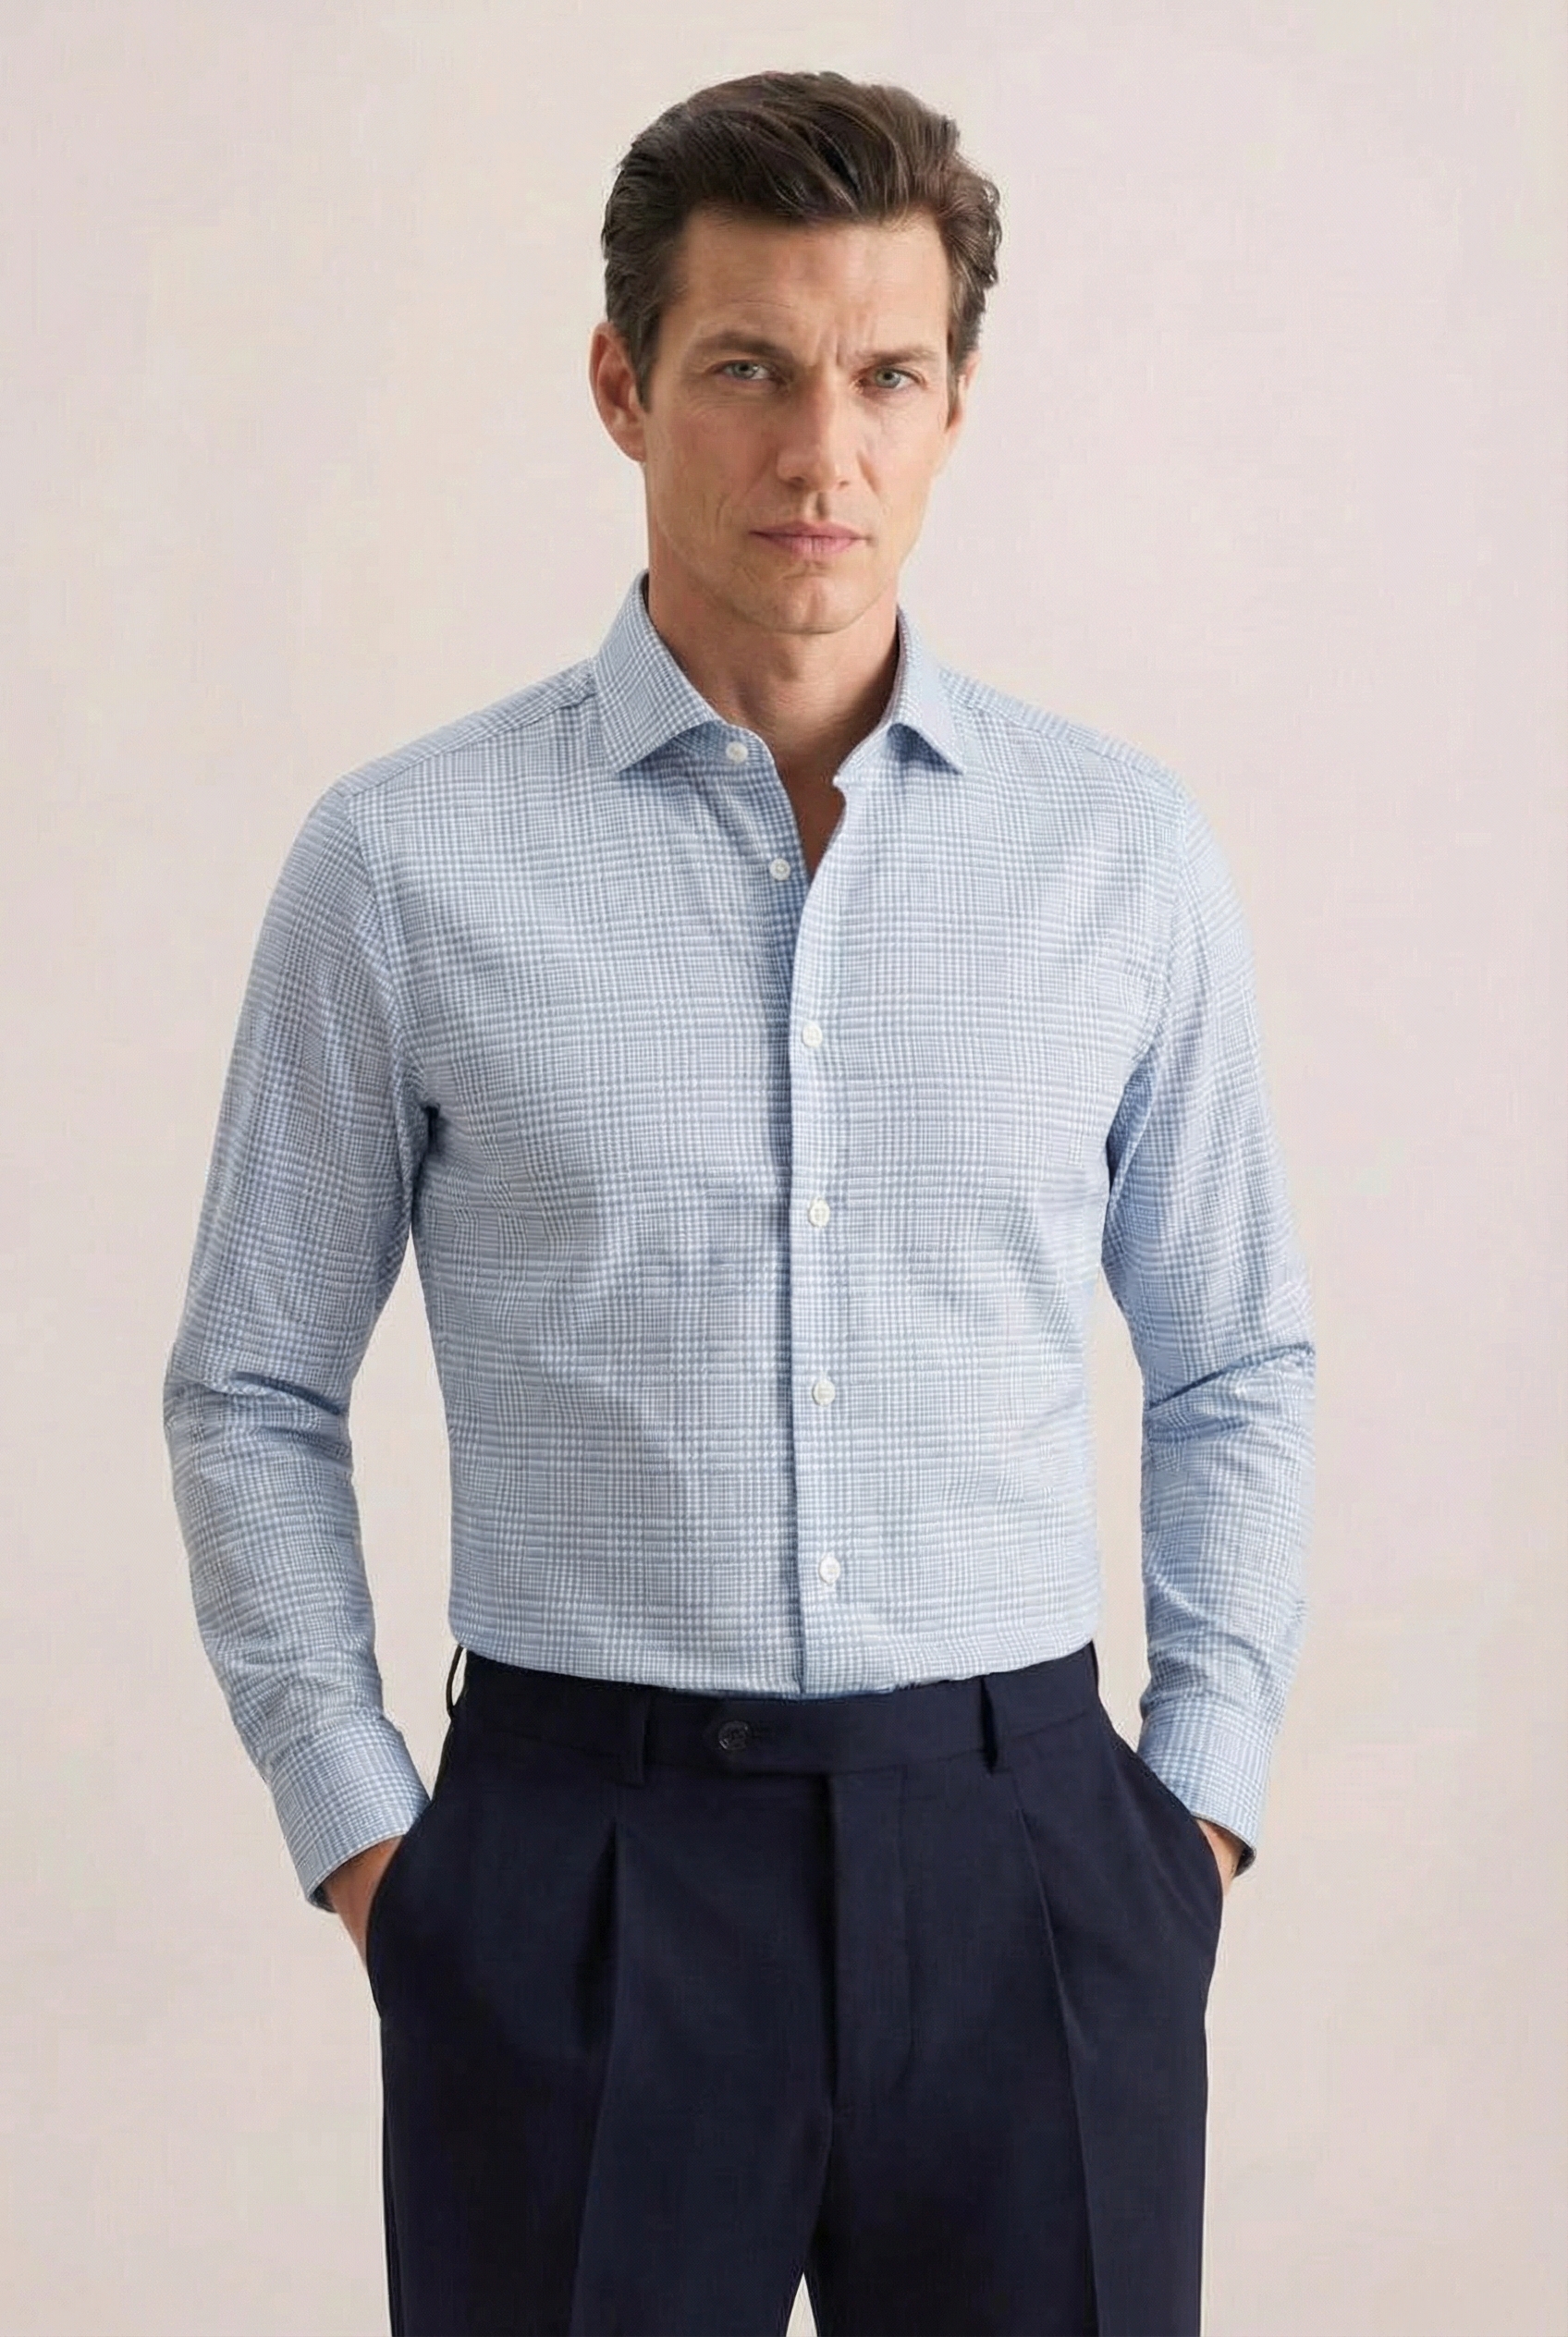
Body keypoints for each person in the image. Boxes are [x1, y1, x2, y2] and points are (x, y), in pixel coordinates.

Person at [163, 67, 1314, 2337]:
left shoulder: (1116, 858)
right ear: (621, 386)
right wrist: (377, 1846)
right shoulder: (404, 866)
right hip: (573, 1873)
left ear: (953, 401)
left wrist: (1189, 1813)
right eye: (748, 370)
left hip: (1025, 1863)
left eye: (884, 376)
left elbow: (1233, 1355)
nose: (821, 454)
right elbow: (250, 1385)